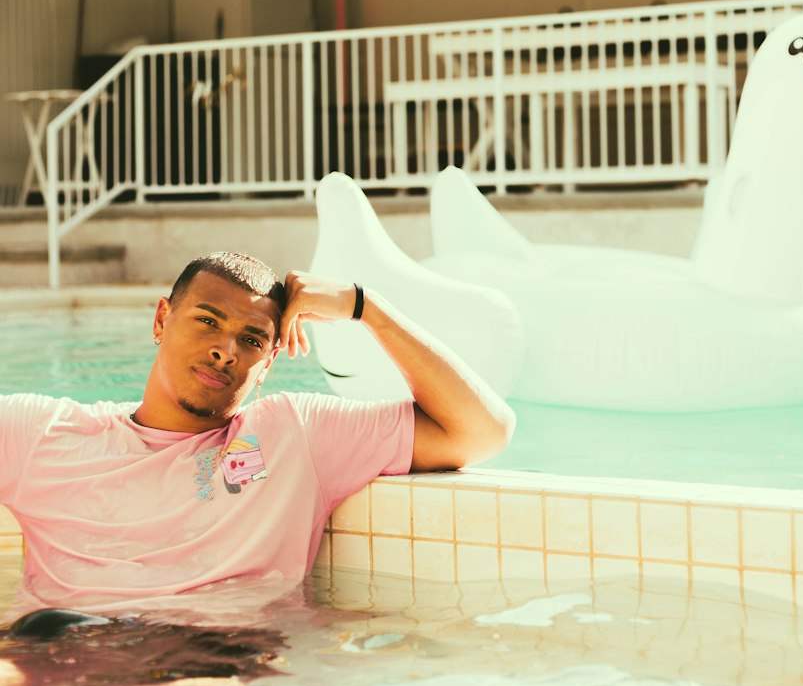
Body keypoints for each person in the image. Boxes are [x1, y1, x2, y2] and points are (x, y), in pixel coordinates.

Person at [0, 251, 516, 635]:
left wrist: (367, 308)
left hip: (205, 656)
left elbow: (480, 430)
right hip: (50, 641)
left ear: (268, 363)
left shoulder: (292, 434)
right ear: (162, 320)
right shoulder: (43, 432)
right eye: (207, 321)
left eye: (251, 340)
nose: (225, 350)